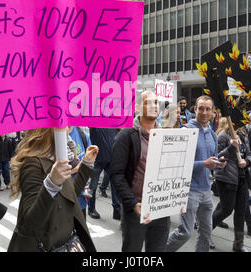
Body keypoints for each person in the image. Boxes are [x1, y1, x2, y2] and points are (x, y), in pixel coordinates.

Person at [7, 127, 98, 252]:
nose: (68, 129)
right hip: (45, 245)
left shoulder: (57, 158)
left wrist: (86, 164)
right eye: (63, 125)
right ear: (47, 131)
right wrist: (52, 184)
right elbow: (30, 223)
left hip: (65, 244)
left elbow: (69, 196)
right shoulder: (33, 164)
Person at [109, 89, 170, 252]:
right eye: (147, 102)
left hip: (161, 208)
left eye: (156, 102)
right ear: (137, 107)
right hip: (136, 209)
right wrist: (133, 203)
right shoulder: (126, 136)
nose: (153, 106)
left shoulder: (165, 135)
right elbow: (116, 174)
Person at [165, 95, 226, 252]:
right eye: (201, 108)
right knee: (185, 232)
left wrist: (219, 164)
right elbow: (176, 163)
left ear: (213, 112)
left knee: (206, 232)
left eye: (208, 109)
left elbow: (212, 164)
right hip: (189, 190)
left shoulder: (213, 134)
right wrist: (203, 164)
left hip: (206, 190)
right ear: (195, 109)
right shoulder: (186, 131)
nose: (204, 112)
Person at [212, 117, 251, 252]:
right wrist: (231, 147)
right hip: (226, 179)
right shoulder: (222, 136)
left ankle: (238, 244)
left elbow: (249, 155)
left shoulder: (242, 136)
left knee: (240, 212)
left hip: (241, 179)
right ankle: (205, 232)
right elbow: (216, 157)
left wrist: (246, 162)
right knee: (226, 209)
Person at [88, 128, 121, 220]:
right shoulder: (95, 120)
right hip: (97, 159)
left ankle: (117, 210)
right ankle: (91, 209)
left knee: (115, 184)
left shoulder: (113, 120)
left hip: (111, 158)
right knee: (93, 185)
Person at [67, 126, 92, 219]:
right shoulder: (51, 138)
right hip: (62, 202)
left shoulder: (83, 135)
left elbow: (90, 163)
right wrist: (74, 170)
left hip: (80, 200)